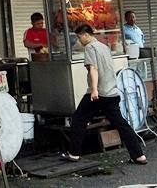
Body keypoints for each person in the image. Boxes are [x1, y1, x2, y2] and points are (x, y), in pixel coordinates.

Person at [60, 25, 147, 165]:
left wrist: (94, 89)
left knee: (78, 118)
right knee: (121, 123)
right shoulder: (104, 46)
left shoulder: (90, 47)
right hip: (111, 91)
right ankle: (139, 155)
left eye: (79, 37)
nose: (79, 40)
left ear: (86, 35)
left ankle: (74, 153)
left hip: (98, 93)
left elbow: (93, 69)